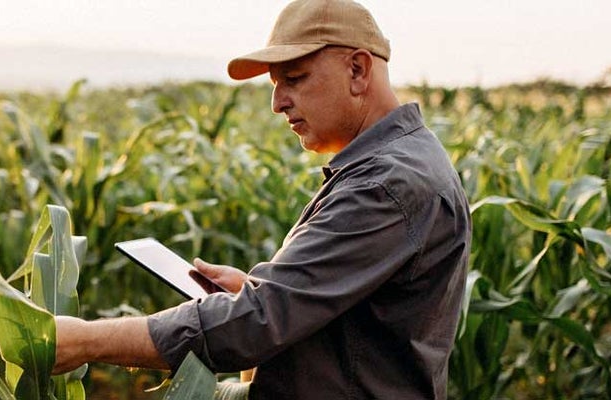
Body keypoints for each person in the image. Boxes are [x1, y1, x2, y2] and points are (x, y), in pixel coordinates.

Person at [54, 0, 471, 398]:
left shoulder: (386, 184)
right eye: (275, 84)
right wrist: (263, 291)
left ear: (358, 70)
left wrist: (85, 340)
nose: (277, 103)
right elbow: (357, 319)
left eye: (293, 78)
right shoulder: (399, 163)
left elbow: (254, 324)